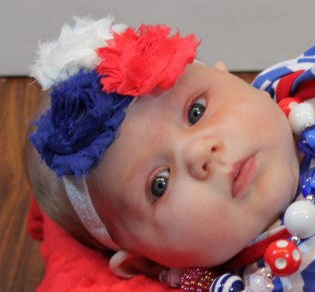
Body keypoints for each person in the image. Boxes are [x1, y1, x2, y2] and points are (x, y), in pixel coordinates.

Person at [27, 16, 315, 291]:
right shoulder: (275, 278)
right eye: (159, 184)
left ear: (227, 76)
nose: (199, 152)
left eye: (196, 111)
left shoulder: (300, 82)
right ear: (149, 262)